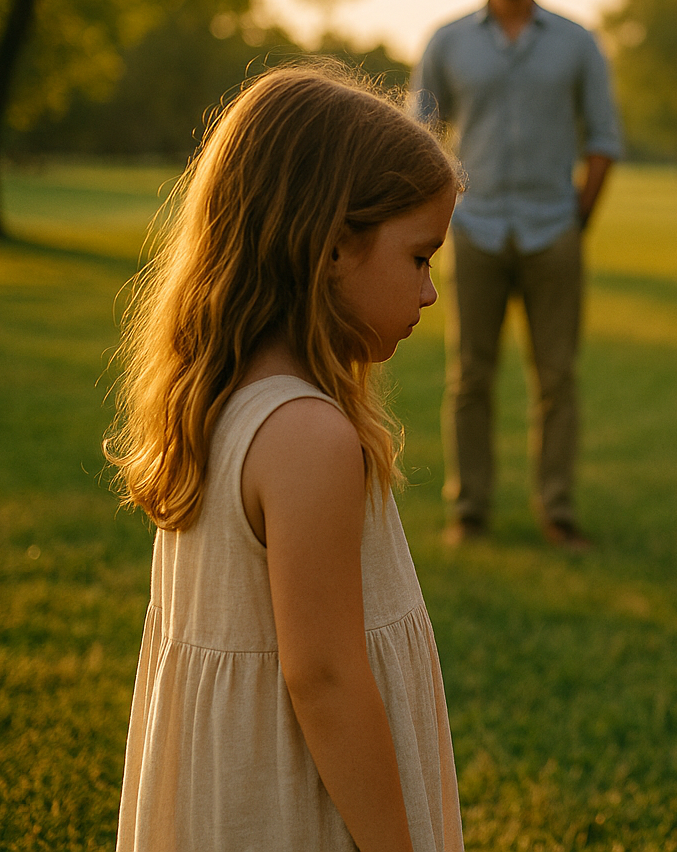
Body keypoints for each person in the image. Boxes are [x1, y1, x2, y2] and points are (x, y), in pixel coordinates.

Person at [105, 66, 465, 852]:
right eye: (419, 258)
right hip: (297, 810)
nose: (431, 292)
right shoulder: (308, 436)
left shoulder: (222, 396)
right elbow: (325, 680)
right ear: (334, 248)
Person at [413, 0, 622, 551]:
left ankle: (557, 510)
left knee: (556, 378)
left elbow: (604, 139)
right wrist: (437, 222)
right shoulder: (447, 42)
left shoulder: (576, 42)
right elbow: (417, 139)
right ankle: (468, 511)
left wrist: (575, 220)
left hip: (552, 229)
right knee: (469, 376)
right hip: (472, 231)